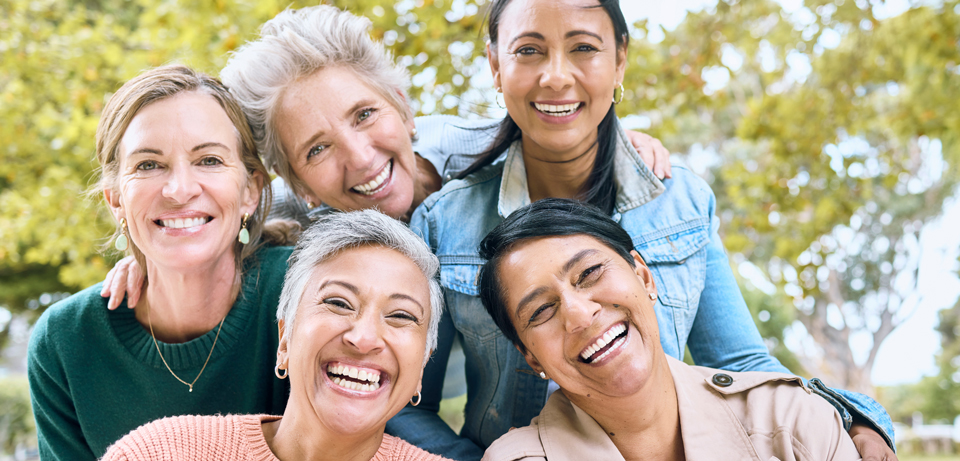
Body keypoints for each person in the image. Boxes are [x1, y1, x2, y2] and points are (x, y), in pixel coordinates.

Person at [404, 0, 896, 459]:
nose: (556, 76)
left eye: (583, 48)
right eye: (528, 50)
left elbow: (741, 365)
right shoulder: (444, 221)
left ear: (619, 60)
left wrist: (851, 420)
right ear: (495, 65)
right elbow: (411, 401)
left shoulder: (679, 201)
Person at [101, 4, 670, 309]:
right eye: (317, 149)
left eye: (365, 115)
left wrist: (625, 142)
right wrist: (152, 260)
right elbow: (208, 215)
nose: (360, 156)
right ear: (295, 181)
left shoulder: (484, 151)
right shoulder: (296, 225)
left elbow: (565, 119)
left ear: (401, 104)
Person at [26, 65, 294, 460]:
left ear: (250, 191)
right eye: (149, 165)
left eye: (209, 160)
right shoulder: (66, 342)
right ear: (115, 200)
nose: (180, 190)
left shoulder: (305, 292)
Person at [476, 199, 862, 461]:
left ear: (643, 276)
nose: (578, 315)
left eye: (589, 273)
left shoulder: (792, 419)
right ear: (529, 355)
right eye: (542, 310)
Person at [102, 210, 450, 461]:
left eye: (401, 316)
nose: (364, 337)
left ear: (422, 366)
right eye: (339, 303)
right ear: (284, 339)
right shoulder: (159, 453)